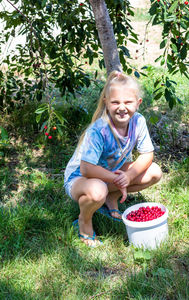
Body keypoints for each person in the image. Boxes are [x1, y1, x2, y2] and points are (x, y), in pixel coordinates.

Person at [64, 70, 162, 247]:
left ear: (138, 103)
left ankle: (111, 198)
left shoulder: (138, 121)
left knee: (154, 171)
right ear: (106, 103)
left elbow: (147, 154)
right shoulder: (99, 129)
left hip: (108, 173)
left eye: (128, 102)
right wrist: (119, 179)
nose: (122, 107)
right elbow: (87, 169)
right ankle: (84, 223)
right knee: (97, 190)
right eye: (115, 102)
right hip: (80, 178)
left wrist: (129, 175)